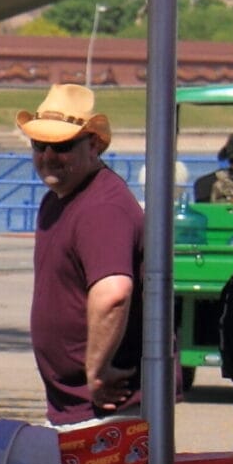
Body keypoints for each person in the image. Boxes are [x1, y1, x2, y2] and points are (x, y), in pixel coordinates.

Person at [17, 84, 142, 424]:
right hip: (74, 402)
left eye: (61, 146)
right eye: (39, 145)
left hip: (107, 404)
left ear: (94, 145)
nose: (47, 155)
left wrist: (97, 371)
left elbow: (113, 293)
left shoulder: (102, 206)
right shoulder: (58, 198)